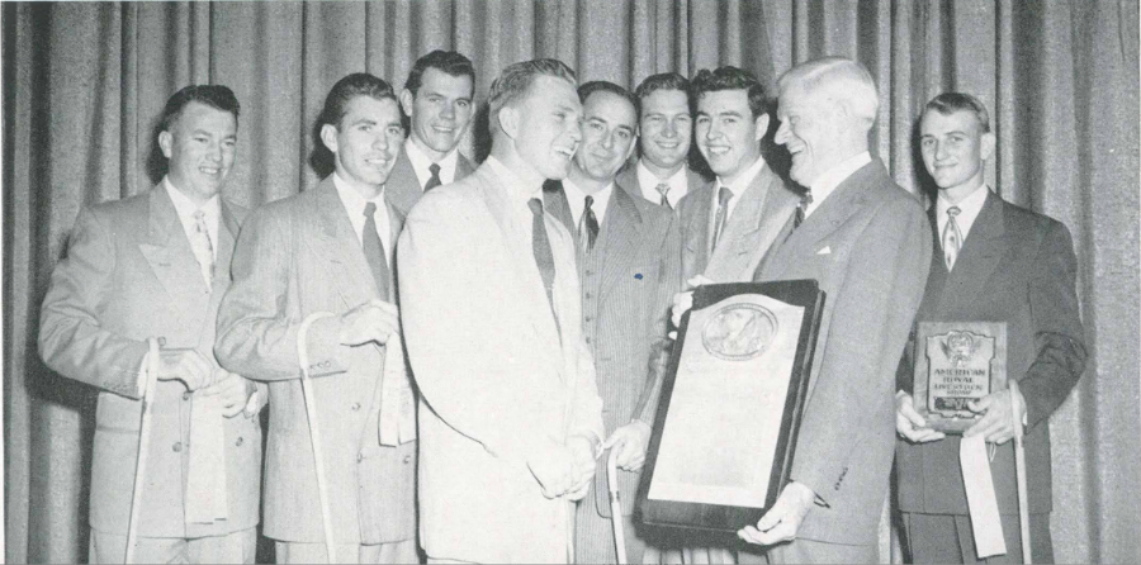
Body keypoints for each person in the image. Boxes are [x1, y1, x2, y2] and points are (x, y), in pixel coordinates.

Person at [38, 85, 263, 563]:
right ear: (166, 144)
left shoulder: (257, 232)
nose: (217, 156)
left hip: (230, 492)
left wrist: (254, 388)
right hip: (140, 490)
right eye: (202, 139)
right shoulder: (110, 225)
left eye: (228, 142)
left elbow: (273, 342)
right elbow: (57, 334)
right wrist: (151, 360)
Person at [398, 59, 604, 564]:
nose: (575, 134)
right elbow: (441, 365)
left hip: (550, 516)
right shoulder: (445, 214)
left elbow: (573, 351)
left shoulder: (555, 232)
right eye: (560, 117)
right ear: (510, 122)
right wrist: (536, 450)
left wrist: (583, 438)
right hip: (478, 514)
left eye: (577, 121)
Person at [736, 57, 932, 563]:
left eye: (792, 119)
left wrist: (805, 484)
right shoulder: (799, 213)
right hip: (766, 485)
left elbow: (858, 367)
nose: (779, 137)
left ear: (842, 116)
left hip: (816, 503)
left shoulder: (889, 214)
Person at [215, 73, 416, 564]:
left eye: (394, 130)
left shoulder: (418, 229)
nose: (383, 144)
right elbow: (235, 339)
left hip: (400, 489)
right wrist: (336, 333)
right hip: (317, 489)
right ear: (331, 137)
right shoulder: (281, 221)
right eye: (366, 128)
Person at [895, 92, 1087, 564]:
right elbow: (886, 349)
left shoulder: (1038, 236)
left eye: (955, 138)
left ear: (987, 146)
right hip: (925, 476)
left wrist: (1019, 401)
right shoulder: (901, 241)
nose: (939, 153)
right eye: (928, 141)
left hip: (1003, 469)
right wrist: (896, 399)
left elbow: (1065, 346)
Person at [541, 80, 681, 564]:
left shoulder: (658, 224)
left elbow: (668, 343)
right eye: (596, 126)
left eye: (623, 133)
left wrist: (644, 424)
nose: (607, 143)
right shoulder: (527, 210)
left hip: (617, 463)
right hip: (537, 458)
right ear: (572, 126)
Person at [675, 66, 801, 300]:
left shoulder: (790, 208)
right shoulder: (686, 208)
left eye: (729, 120)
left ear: (760, 127)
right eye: (704, 120)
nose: (712, 134)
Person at [386, 50, 478, 215]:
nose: (448, 114)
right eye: (435, 100)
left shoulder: (486, 185)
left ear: (471, 111)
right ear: (408, 103)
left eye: (461, 103)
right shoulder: (375, 174)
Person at [616, 72, 708, 209]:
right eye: (657, 119)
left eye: (681, 118)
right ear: (638, 127)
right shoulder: (609, 191)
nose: (669, 132)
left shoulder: (713, 194)